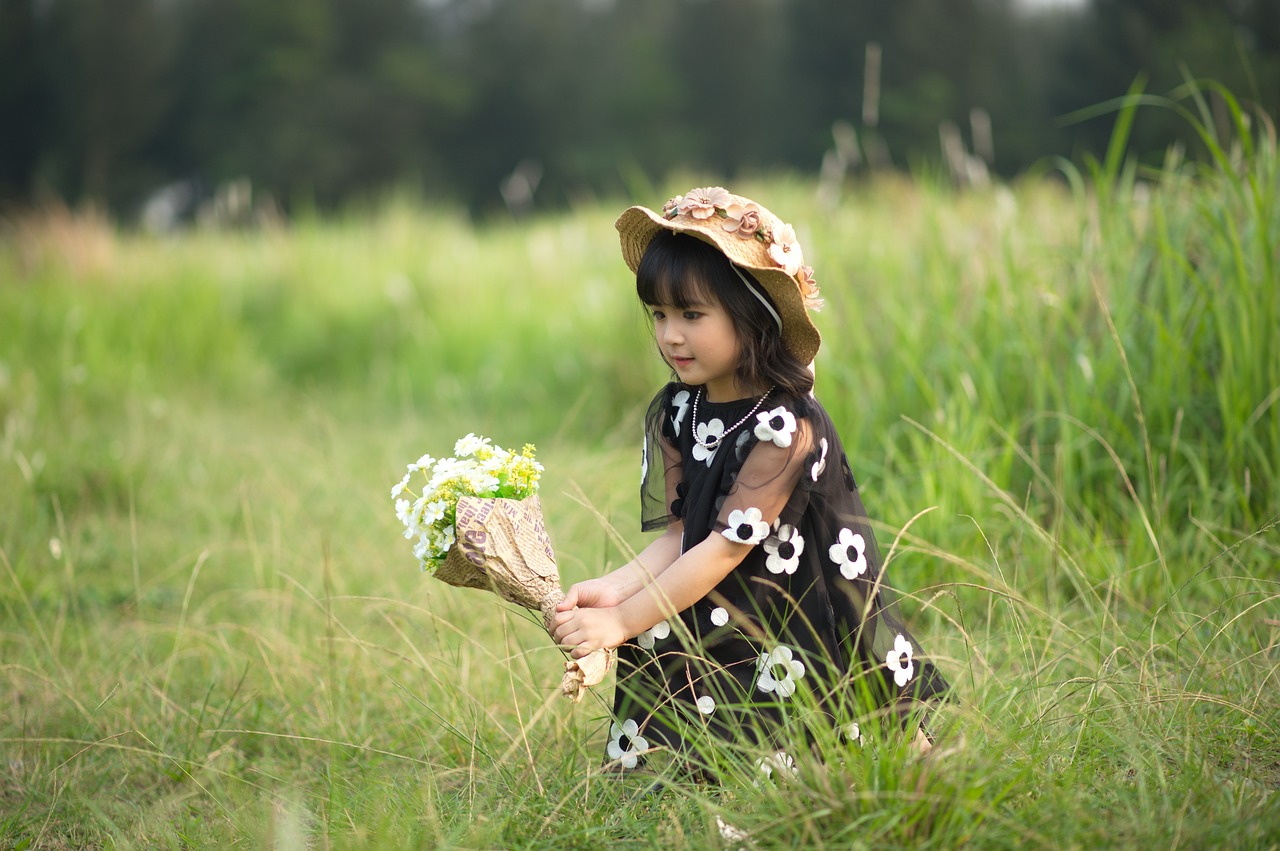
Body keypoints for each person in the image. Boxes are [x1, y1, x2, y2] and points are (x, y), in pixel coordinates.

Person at [551, 186, 949, 776]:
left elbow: (723, 546)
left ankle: (918, 769)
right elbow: (683, 534)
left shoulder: (786, 425)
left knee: (851, 699)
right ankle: (705, 765)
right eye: (658, 315)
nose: (671, 336)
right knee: (690, 664)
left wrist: (623, 621)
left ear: (753, 314)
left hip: (802, 596)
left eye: (691, 315)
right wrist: (616, 588)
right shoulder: (679, 411)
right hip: (723, 591)